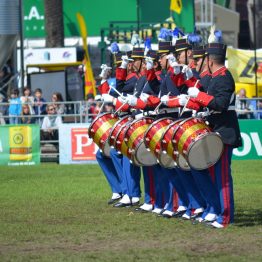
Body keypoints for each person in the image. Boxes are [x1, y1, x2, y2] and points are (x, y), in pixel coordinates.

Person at [187, 42, 242, 228]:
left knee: (222, 177)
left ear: (209, 61)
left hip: (225, 133)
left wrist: (199, 96)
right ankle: (215, 209)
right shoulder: (215, 77)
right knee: (209, 173)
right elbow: (212, 106)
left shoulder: (224, 77)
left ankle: (225, 217)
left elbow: (221, 104)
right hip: (214, 131)